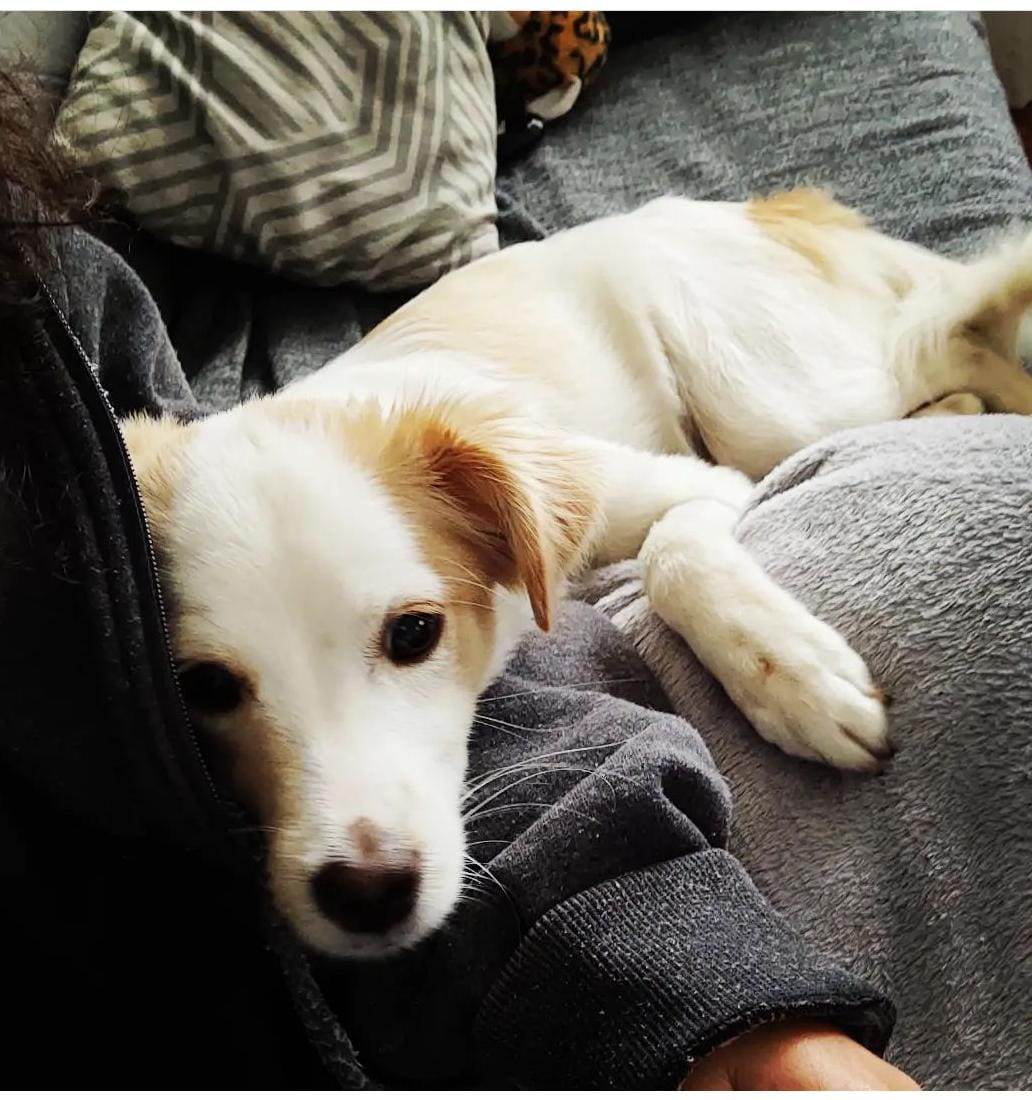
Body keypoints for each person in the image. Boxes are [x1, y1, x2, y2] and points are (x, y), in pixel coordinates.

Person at [0, 71, 920, 1090]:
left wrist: (694, 572)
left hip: (666, 278)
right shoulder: (142, 524)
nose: (359, 846)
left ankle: (948, 379)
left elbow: (691, 493)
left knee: (785, 426)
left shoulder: (437, 479)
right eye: (214, 685)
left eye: (408, 636)